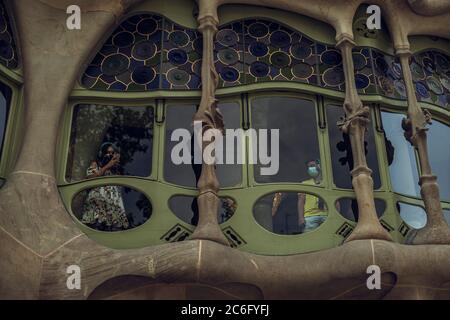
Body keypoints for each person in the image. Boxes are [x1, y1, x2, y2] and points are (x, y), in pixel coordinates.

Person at [81, 142, 130, 231]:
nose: (110, 155)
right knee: (96, 227)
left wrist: (115, 166)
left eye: (112, 153)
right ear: (102, 153)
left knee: (114, 230)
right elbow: (89, 178)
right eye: (108, 152)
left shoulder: (116, 169)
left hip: (113, 203)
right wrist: (107, 166)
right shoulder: (96, 164)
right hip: (98, 201)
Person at [271, 159, 327, 234]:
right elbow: (301, 201)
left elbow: (335, 201)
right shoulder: (305, 184)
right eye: (309, 167)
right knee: (310, 240)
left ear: (319, 166)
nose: (310, 169)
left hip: (326, 215)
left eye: (312, 166)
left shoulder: (327, 183)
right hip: (310, 217)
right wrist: (301, 218)